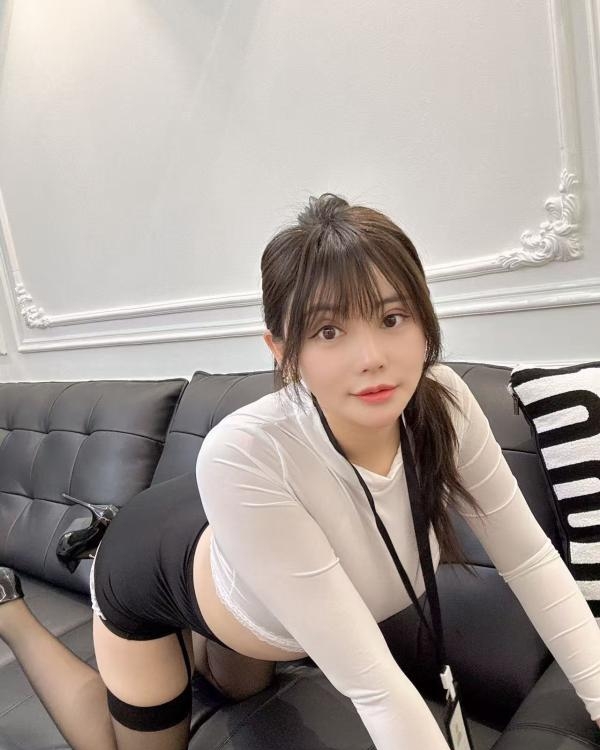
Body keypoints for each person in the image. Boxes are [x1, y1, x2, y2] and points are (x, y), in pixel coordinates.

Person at [1, 192, 600, 750]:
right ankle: (12, 614)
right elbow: (374, 685)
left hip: (240, 548)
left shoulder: (443, 404)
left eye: (392, 317)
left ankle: (202, 627)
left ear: (424, 318)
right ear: (283, 350)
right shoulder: (245, 450)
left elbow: (529, 560)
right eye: (328, 330)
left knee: (240, 687)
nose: (372, 358)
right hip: (147, 563)